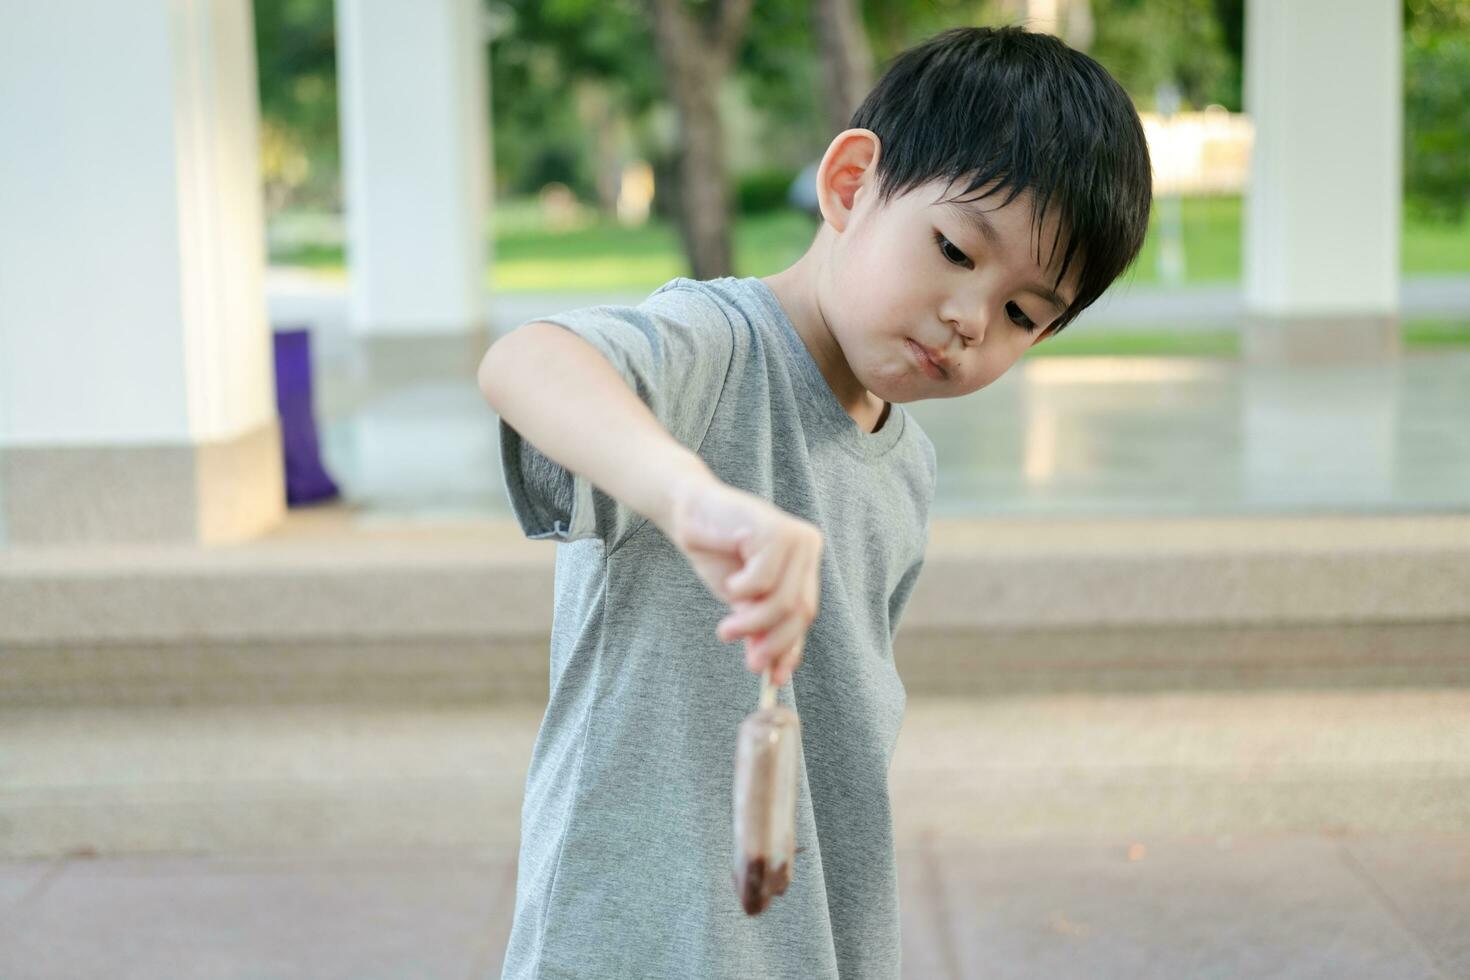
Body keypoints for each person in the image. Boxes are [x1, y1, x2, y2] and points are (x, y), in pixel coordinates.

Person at [477, 24, 1152, 979]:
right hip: (634, 946)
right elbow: (530, 361)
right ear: (849, 186)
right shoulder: (714, 347)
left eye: (1020, 315)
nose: (970, 318)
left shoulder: (904, 466)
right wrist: (694, 499)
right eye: (957, 249)